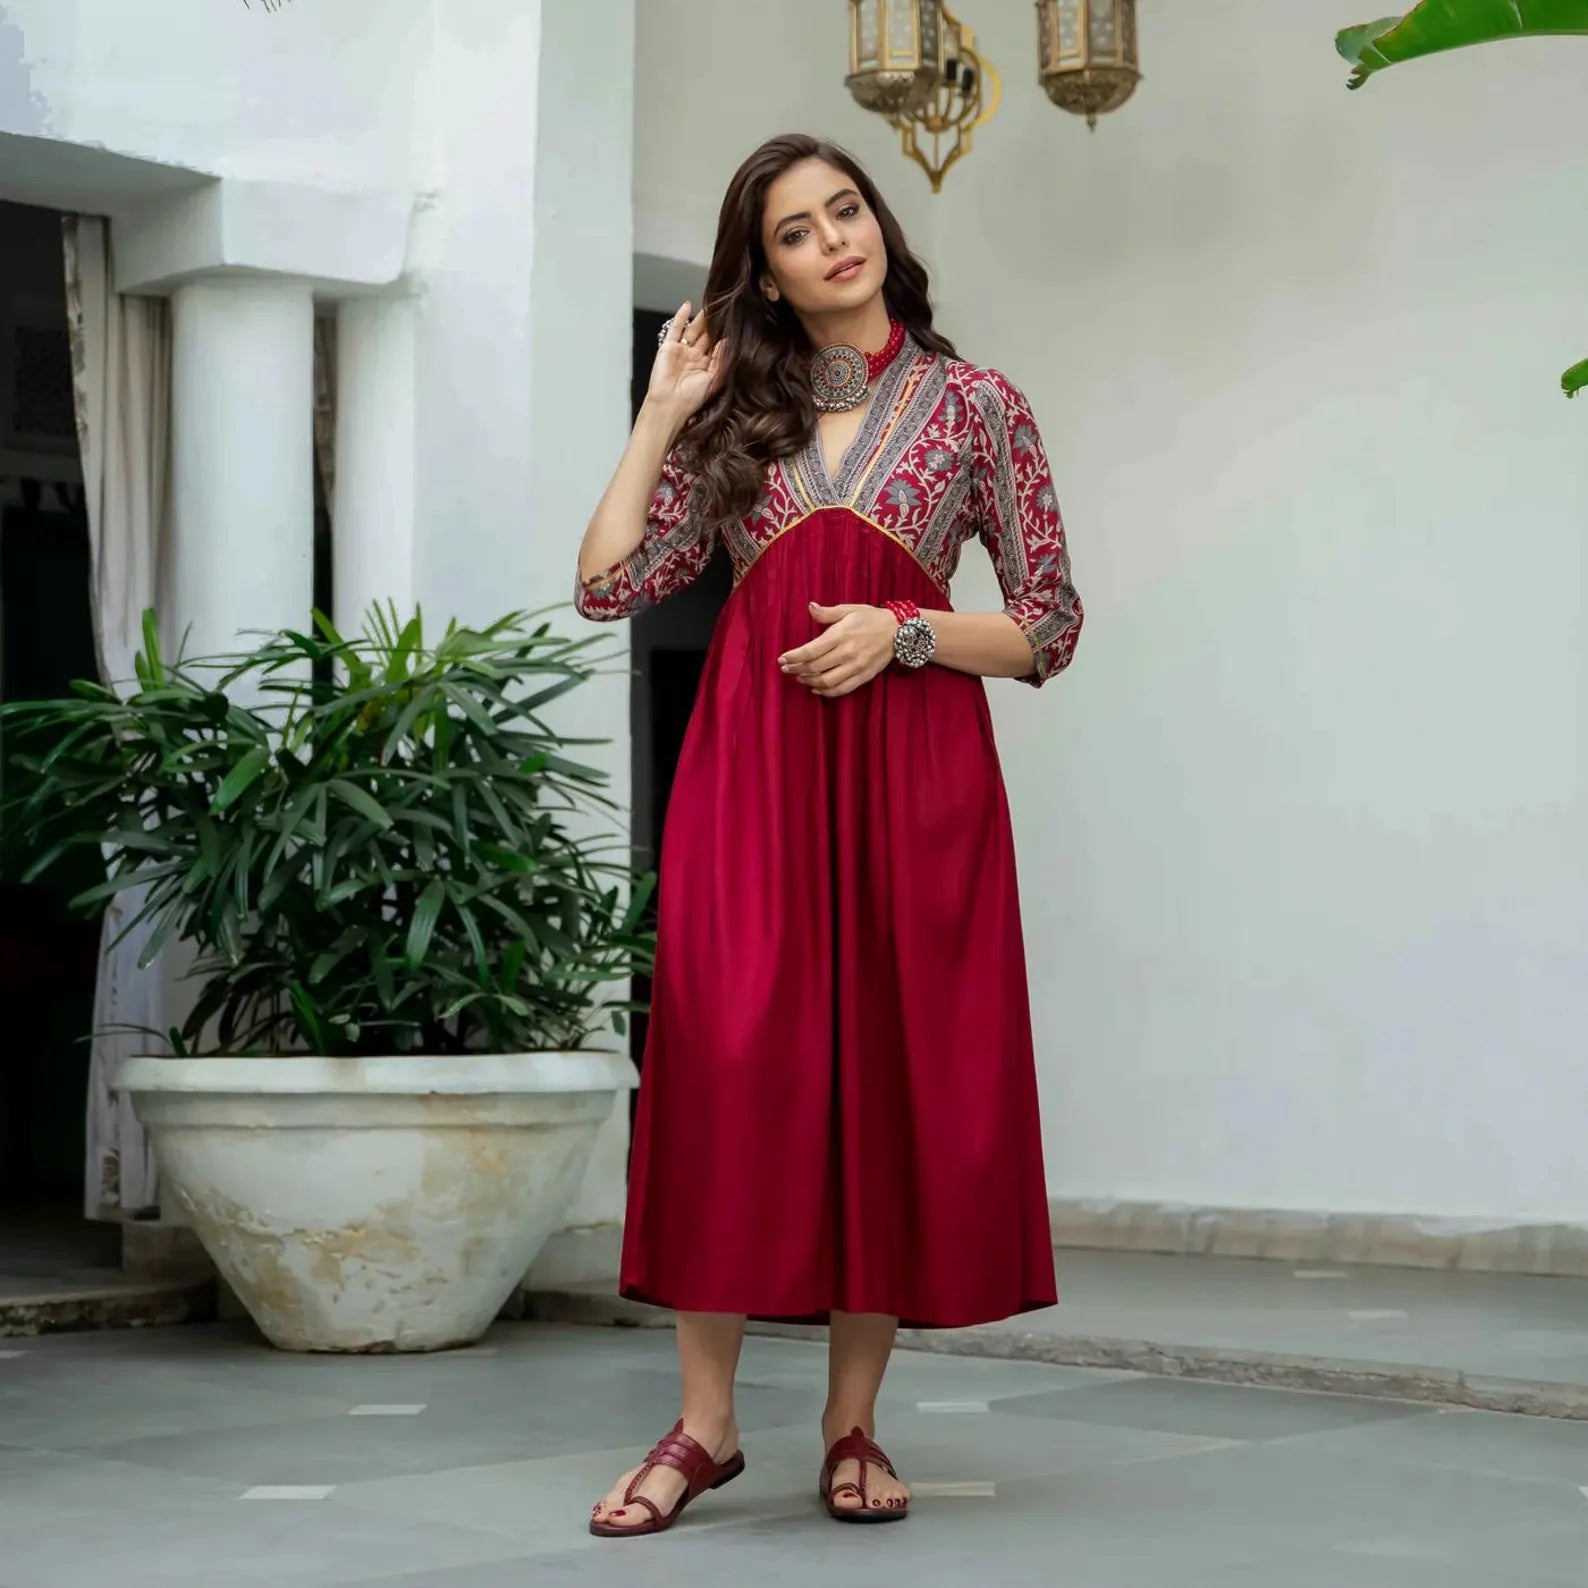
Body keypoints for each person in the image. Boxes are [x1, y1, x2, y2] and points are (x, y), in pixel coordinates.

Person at [575, 132, 1082, 1539]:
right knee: (729, 1062)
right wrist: (660, 413)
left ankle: (852, 1421)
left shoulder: (977, 406)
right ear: (769, 277)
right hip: (754, 781)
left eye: (844, 210)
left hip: (917, 784)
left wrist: (907, 631)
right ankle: (706, 1424)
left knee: (890, 1075)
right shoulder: (738, 419)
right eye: (794, 233)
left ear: (879, 224)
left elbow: (1049, 622)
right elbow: (607, 588)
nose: (831, 242)